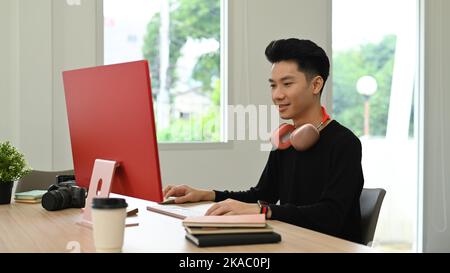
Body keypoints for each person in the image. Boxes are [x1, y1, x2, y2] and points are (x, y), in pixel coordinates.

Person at [163, 38, 364, 244]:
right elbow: (261, 195)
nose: (277, 95)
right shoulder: (286, 140)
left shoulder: (345, 143)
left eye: (287, 84)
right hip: (294, 244)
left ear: (316, 84)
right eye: (273, 85)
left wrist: (263, 210)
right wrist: (207, 194)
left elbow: (331, 215)